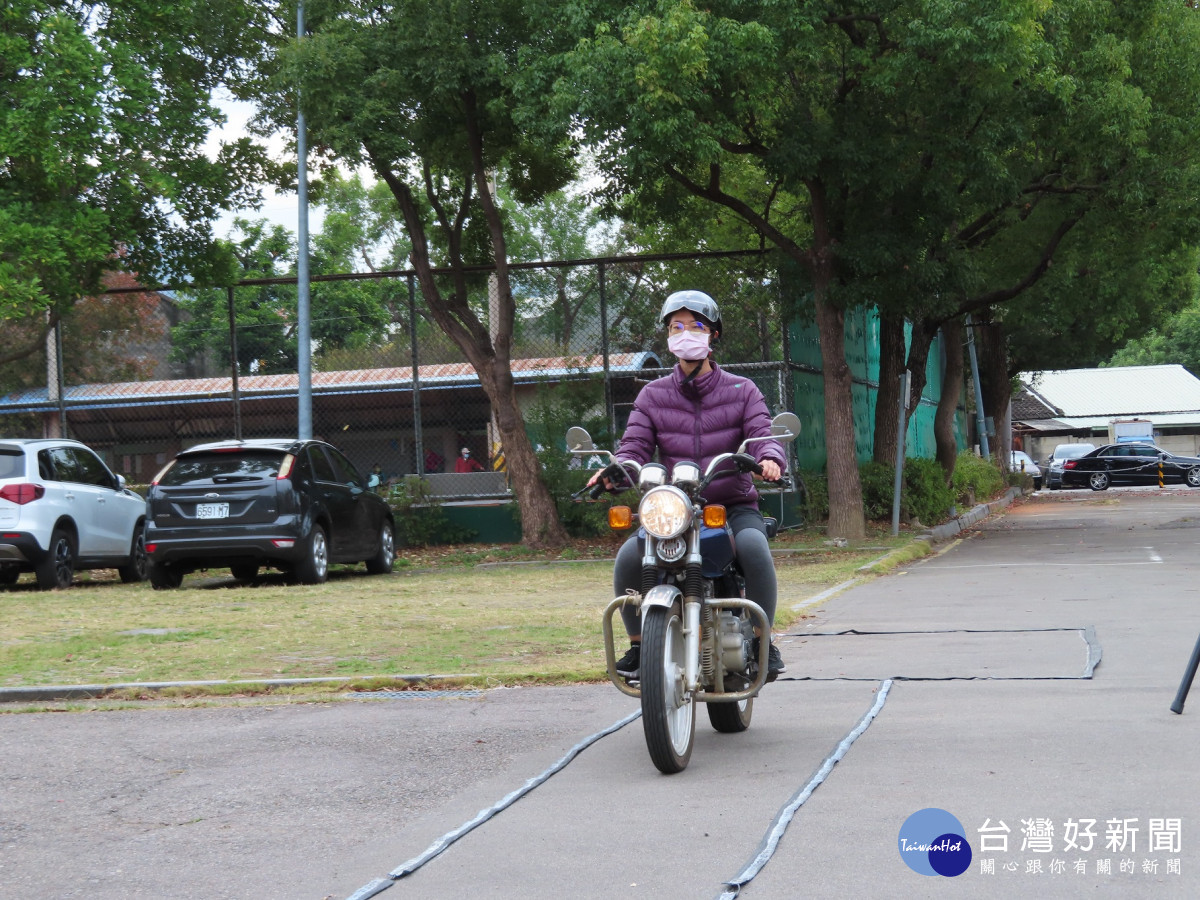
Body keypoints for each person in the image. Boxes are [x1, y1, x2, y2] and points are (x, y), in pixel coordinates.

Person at [591, 289, 788, 683]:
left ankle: (764, 641)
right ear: (667, 336)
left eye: (695, 325)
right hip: (673, 508)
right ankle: (638, 645)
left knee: (753, 547)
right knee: (630, 558)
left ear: (713, 334)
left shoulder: (742, 390)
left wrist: (769, 458)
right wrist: (614, 470)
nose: (685, 333)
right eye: (676, 326)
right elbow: (634, 446)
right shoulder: (652, 394)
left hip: (731, 504)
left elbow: (761, 434)